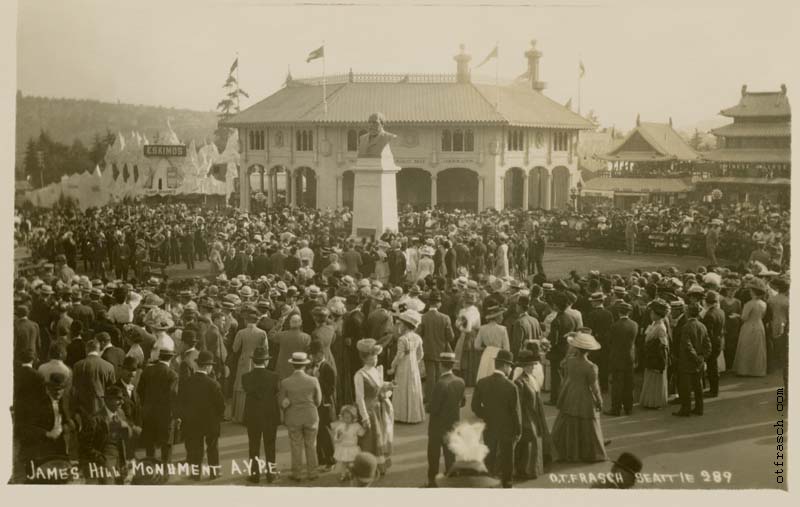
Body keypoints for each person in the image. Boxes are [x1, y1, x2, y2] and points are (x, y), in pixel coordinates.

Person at [550, 332, 607, 463]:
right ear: (589, 351)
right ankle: (590, 452)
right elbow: (594, 387)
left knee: (569, 421)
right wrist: (599, 400)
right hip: (584, 395)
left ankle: (568, 451)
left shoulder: (570, 362)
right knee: (588, 423)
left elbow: (565, 373)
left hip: (570, 392)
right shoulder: (591, 367)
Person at [15, 372, 74, 483]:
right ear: (48, 388)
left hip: (58, 449)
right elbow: (24, 428)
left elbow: (66, 419)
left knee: (65, 477)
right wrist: (46, 433)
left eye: (61, 389)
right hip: (40, 450)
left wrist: (70, 423)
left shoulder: (63, 401)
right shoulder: (37, 404)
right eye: (55, 389)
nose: (58, 392)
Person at [178, 351, 225, 480]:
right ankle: (214, 472)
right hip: (211, 421)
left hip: (193, 421)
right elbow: (221, 405)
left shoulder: (188, 382)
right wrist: (217, 416)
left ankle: (195, 473)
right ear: (208, 366)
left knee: (195, 447)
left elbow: (181, 401)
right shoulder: (213, 384)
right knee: (212, 447)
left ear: (199, 365)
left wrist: (184, 417)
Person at [423, 351, 465, 487]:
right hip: (453, 424)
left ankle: (432, 481)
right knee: (450, 455)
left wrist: (426, 407)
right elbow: (463, 402)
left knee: (434, 455)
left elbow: (433, 408)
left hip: (437, 426)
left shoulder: (440, 384)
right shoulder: (460, 381)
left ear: (441, 365)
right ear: (452, 365)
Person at [78, 385, 134, 484]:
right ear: (107, 400)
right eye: (118, 399)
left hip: (120, 458)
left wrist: (126, 427)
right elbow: (85, 445)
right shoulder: (95, 419)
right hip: (104, 459)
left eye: (122, 399)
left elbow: (127, 437)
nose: (122, 402)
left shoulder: (120, 413)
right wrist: (101, 459)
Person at [241, 346, 281, 484]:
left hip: (253, 416)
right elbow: (276, 391)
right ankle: (271, 474)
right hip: (270, 415)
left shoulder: (245, 377)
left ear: (254, 361)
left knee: (254, 446)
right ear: (265, 361)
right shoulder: (274, 377)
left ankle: (254, 474)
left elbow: (248, 390)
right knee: (270, 445)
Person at [354, 338, 394, 475]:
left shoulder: (376, 371)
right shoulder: (360, 375)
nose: (376, 359)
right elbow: (359, 398)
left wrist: (388, 386)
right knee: (370, 439)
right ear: (365, 357)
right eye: (373, 356)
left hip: (379, 408)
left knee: (380, 437)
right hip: (369, 411)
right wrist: (364, 417)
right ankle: (368, 467)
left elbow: (379, 387)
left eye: (376, 356)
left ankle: (377, 467)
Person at [280, 351, 322, 482]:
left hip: (293, 416)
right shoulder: (313, 380)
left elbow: (282, 402)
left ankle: (297, 473)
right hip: (311, 415)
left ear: (293, 365)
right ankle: (312, 472)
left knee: (296, 445)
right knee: (311, 444)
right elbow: (319, 400)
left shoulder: (285, 382)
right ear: (304, 365)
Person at [513, 349, 552, 480]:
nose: (532, 367)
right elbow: (518, 404)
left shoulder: (533, 378)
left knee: (538, 439)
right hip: (527, 415)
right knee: (529, 440)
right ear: (524, 366)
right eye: (530, 365)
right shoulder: (519, 382)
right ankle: (524, 470)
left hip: (536, 412)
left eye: (533, 365)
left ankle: (535, 468)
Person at [137, 347, 179, 464]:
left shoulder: (147, 371)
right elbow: (173, 397)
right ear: (171, 358)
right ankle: (165, 470)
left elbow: (140, 391)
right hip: (165, 415)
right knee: (166, 445)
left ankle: (150, 469)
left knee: (150, 445)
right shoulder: (173, 375)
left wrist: (146, 405)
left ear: (159, 357)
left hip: (148, 413)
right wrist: (176, 415)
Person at [231, 307, 268, 422]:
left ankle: (239, 415)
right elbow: (266, 349)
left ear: (246, 321)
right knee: (255, 386)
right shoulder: (262, 333)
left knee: (241, 386)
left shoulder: (241, 332)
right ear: (256, 321)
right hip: (257, 360)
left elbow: (235, 348)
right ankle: (253, 415)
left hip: (243, 360)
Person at [390, 309, 426, 424]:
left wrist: (393, 366)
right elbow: (421, 354)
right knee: (412, 387)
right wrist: (415, 361)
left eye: (401, 324)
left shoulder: (402, 339)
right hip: (413, 365)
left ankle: (401, 415)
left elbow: (399, 355)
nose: (399, 326)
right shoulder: (417, 337)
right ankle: (413, 415)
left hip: (403, 366)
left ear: (405, 325)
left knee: (402, 387)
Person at [673, 303, 710, 417]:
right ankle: (699, 408)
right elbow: (707, 344)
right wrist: (702, 357)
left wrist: (695, 357)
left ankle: (686, 409)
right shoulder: (702, 326)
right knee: (698, 386)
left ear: (688, 313)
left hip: (687, 361)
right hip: (699, 361)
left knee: (686, 387)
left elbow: (687, 345)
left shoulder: (686, 327)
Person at [419, 290, 454, 403]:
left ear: (429, 303)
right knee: (441, 375)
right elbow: (450, 337)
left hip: (428, 349)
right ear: (438, 303)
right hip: (442, 349)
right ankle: (440, 396)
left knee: (430, 376)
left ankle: (429, 397)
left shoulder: (423, 317)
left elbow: (419, 334)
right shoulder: (445, 318)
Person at [71, 339, 116, 423]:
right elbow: (113, 392)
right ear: (99, 350)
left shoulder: (77, 365)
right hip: (102, 409)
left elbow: (74, 389)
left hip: (83, 410)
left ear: (86, 350)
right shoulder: (109, 367)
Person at [309, 340, 337, 471]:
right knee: (318, 432)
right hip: (315, 404)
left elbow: (331, 390)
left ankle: (331, 460)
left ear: (320, 353)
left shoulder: (328, 368)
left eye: (314, 355)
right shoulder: (313, 366)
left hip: (325, 404)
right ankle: (321, 459)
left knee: (325, 432)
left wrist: (318, 379)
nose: (312, 358)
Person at [606, 302, 638, 416]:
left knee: (617, 384)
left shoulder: (615, 326)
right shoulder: (634, 325)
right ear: (629, 312)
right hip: (630, 356)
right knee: (629, 384)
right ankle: (628, 408)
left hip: (617, 357)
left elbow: (610, 342)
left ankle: (616, 408)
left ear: (619, 312)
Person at [733, 279, 768, 377]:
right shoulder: (763, 303)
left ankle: (745, 370)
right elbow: (763, 316)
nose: (749, 292)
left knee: (746, 347)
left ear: (753, 292)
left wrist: (736, 315)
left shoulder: (749, 304)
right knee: (757, 349)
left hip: (749, 326)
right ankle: (757, 370)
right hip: (759, 325)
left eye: (751, 291)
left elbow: (744, 317)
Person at [639, 299, 670, 409]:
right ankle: (649, 400)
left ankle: (655, 401)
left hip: (656, 356)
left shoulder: (660, 327)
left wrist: (661, 360)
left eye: (652, 313)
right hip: (651, 354)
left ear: (658, 314)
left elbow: (664, 344)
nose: (651, 315)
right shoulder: (654, 324)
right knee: (650, 378)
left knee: (655, 379)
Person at [474, 304, 511, 382]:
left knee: (484, 374)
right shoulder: (502, 329)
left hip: (486, 353)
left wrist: (485, 348)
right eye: (501, 316)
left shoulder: (482, 328)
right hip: (498, 354)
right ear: (497, 317)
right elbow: (507, 348)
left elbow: (476, 346)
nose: (502, 318)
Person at [271, 314, 312, 380]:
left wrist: (278, 325)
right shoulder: (307, 337)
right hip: (299, 369)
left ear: (290, 323)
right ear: (300, 323)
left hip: (282, 370)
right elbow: (309, 355)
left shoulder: (282, 335)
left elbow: (271, 335)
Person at [332, 405, 366, 482]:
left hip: (352, 448)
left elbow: (361, 433)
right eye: (344, 417)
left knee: (351, 462)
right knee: (344, 463)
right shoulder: (340, 426)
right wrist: (338, 435)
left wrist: (365, 427)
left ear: (353, 417)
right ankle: (343, 475)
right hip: (343, 448)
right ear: (342, 417)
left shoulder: (356, 426)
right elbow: (336, 439)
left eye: (348, 417)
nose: (346, 419)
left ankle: (351, 474)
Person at [702, 291, 726, 398]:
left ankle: (713, 390)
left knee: (712, 368)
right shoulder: (720, 311)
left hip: (712, 343)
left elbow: (708, 334)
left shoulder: (709, 315)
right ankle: (714, 389)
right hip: (719, 340)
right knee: (713, 366)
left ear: (706, 302)